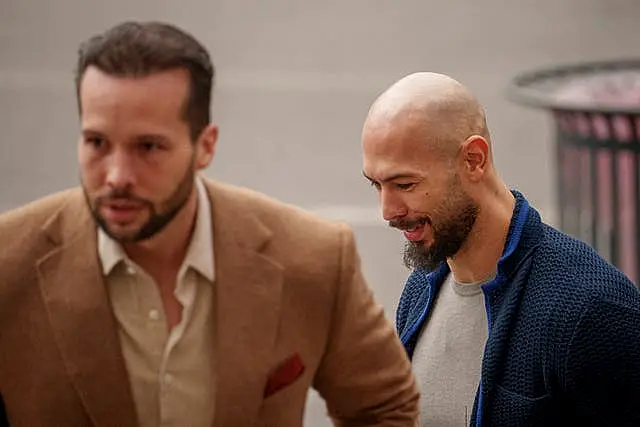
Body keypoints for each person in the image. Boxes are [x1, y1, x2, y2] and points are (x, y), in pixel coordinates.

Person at [0, 21, 420, 427]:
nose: (116, 176)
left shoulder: (313, 258)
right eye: (97, 143)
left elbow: (383, 408)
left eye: (148, 146)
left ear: (205, 147)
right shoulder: (8, 264)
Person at [360, 72, 640, 426]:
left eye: (405, 184)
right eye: (376, 184)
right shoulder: (421, 288)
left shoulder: (593, 310)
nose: (388, 211)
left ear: (474, 159)